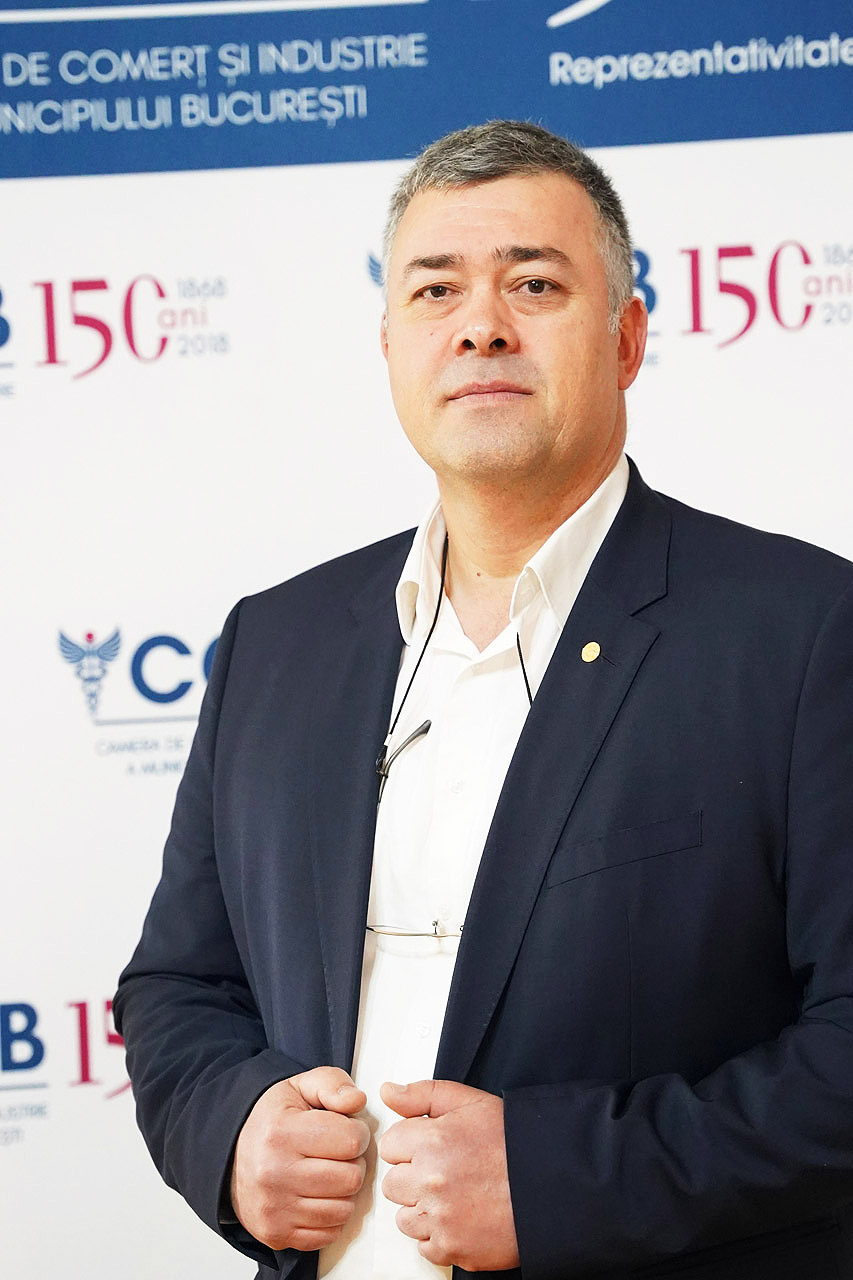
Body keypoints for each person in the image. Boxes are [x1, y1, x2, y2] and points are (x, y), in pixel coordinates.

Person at [114, 120, 853, 1280]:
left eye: (534, 283)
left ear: (626, 338)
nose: (480, 324)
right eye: (435, 289)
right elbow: (179, 984)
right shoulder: (276, 641)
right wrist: (233, 1129)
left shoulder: (804, 631)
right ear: (390, 346)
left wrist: (562, 1179)